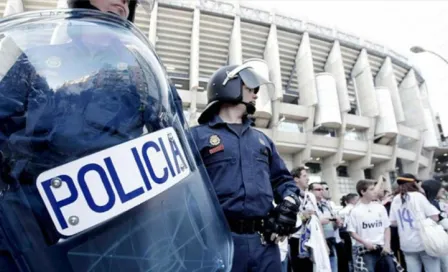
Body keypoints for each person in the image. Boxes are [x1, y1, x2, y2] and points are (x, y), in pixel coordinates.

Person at [0, 1, 234, 271]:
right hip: (39, 226)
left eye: (128, 0)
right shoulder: (37, 57)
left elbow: (177, 141)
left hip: (125, 228)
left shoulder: (140, 68)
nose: (122, 3)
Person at [191, 60, 302, 272]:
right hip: (220, 243)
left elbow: (283, 180)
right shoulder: (197, 137)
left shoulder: (262, 140)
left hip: (264, 245)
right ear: (228, 86)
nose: (256, 95)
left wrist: (289, 202)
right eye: (250, 88)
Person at [389, 175, 441, 272]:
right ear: (414, 183)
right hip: (424, 241)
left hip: (406, 243)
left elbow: (392, 222)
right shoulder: (418, 196)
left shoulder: (396, 199)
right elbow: (435, 217)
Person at [347, 180, 400, 272]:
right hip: (366, 249)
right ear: (362, 192)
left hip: (383, 248)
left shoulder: (380, 208)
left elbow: (386, 227)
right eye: (371, 189)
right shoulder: (355, 211)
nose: (375, 192)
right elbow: (351, 232)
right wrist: (364, 242)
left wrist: (387, 244)